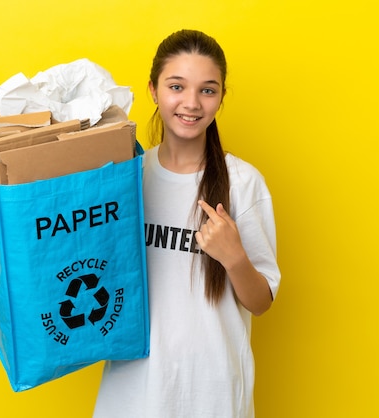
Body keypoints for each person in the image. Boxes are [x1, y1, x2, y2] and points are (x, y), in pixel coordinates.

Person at [92, 29, 281, 418]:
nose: (191, 103)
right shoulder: (126, 180)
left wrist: (235, 259)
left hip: (213, 396)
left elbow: (261, 302)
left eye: (207, 90)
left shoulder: (243, 183)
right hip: (132, 394)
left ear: (222, 97)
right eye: (176, 86)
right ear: (153, 89)